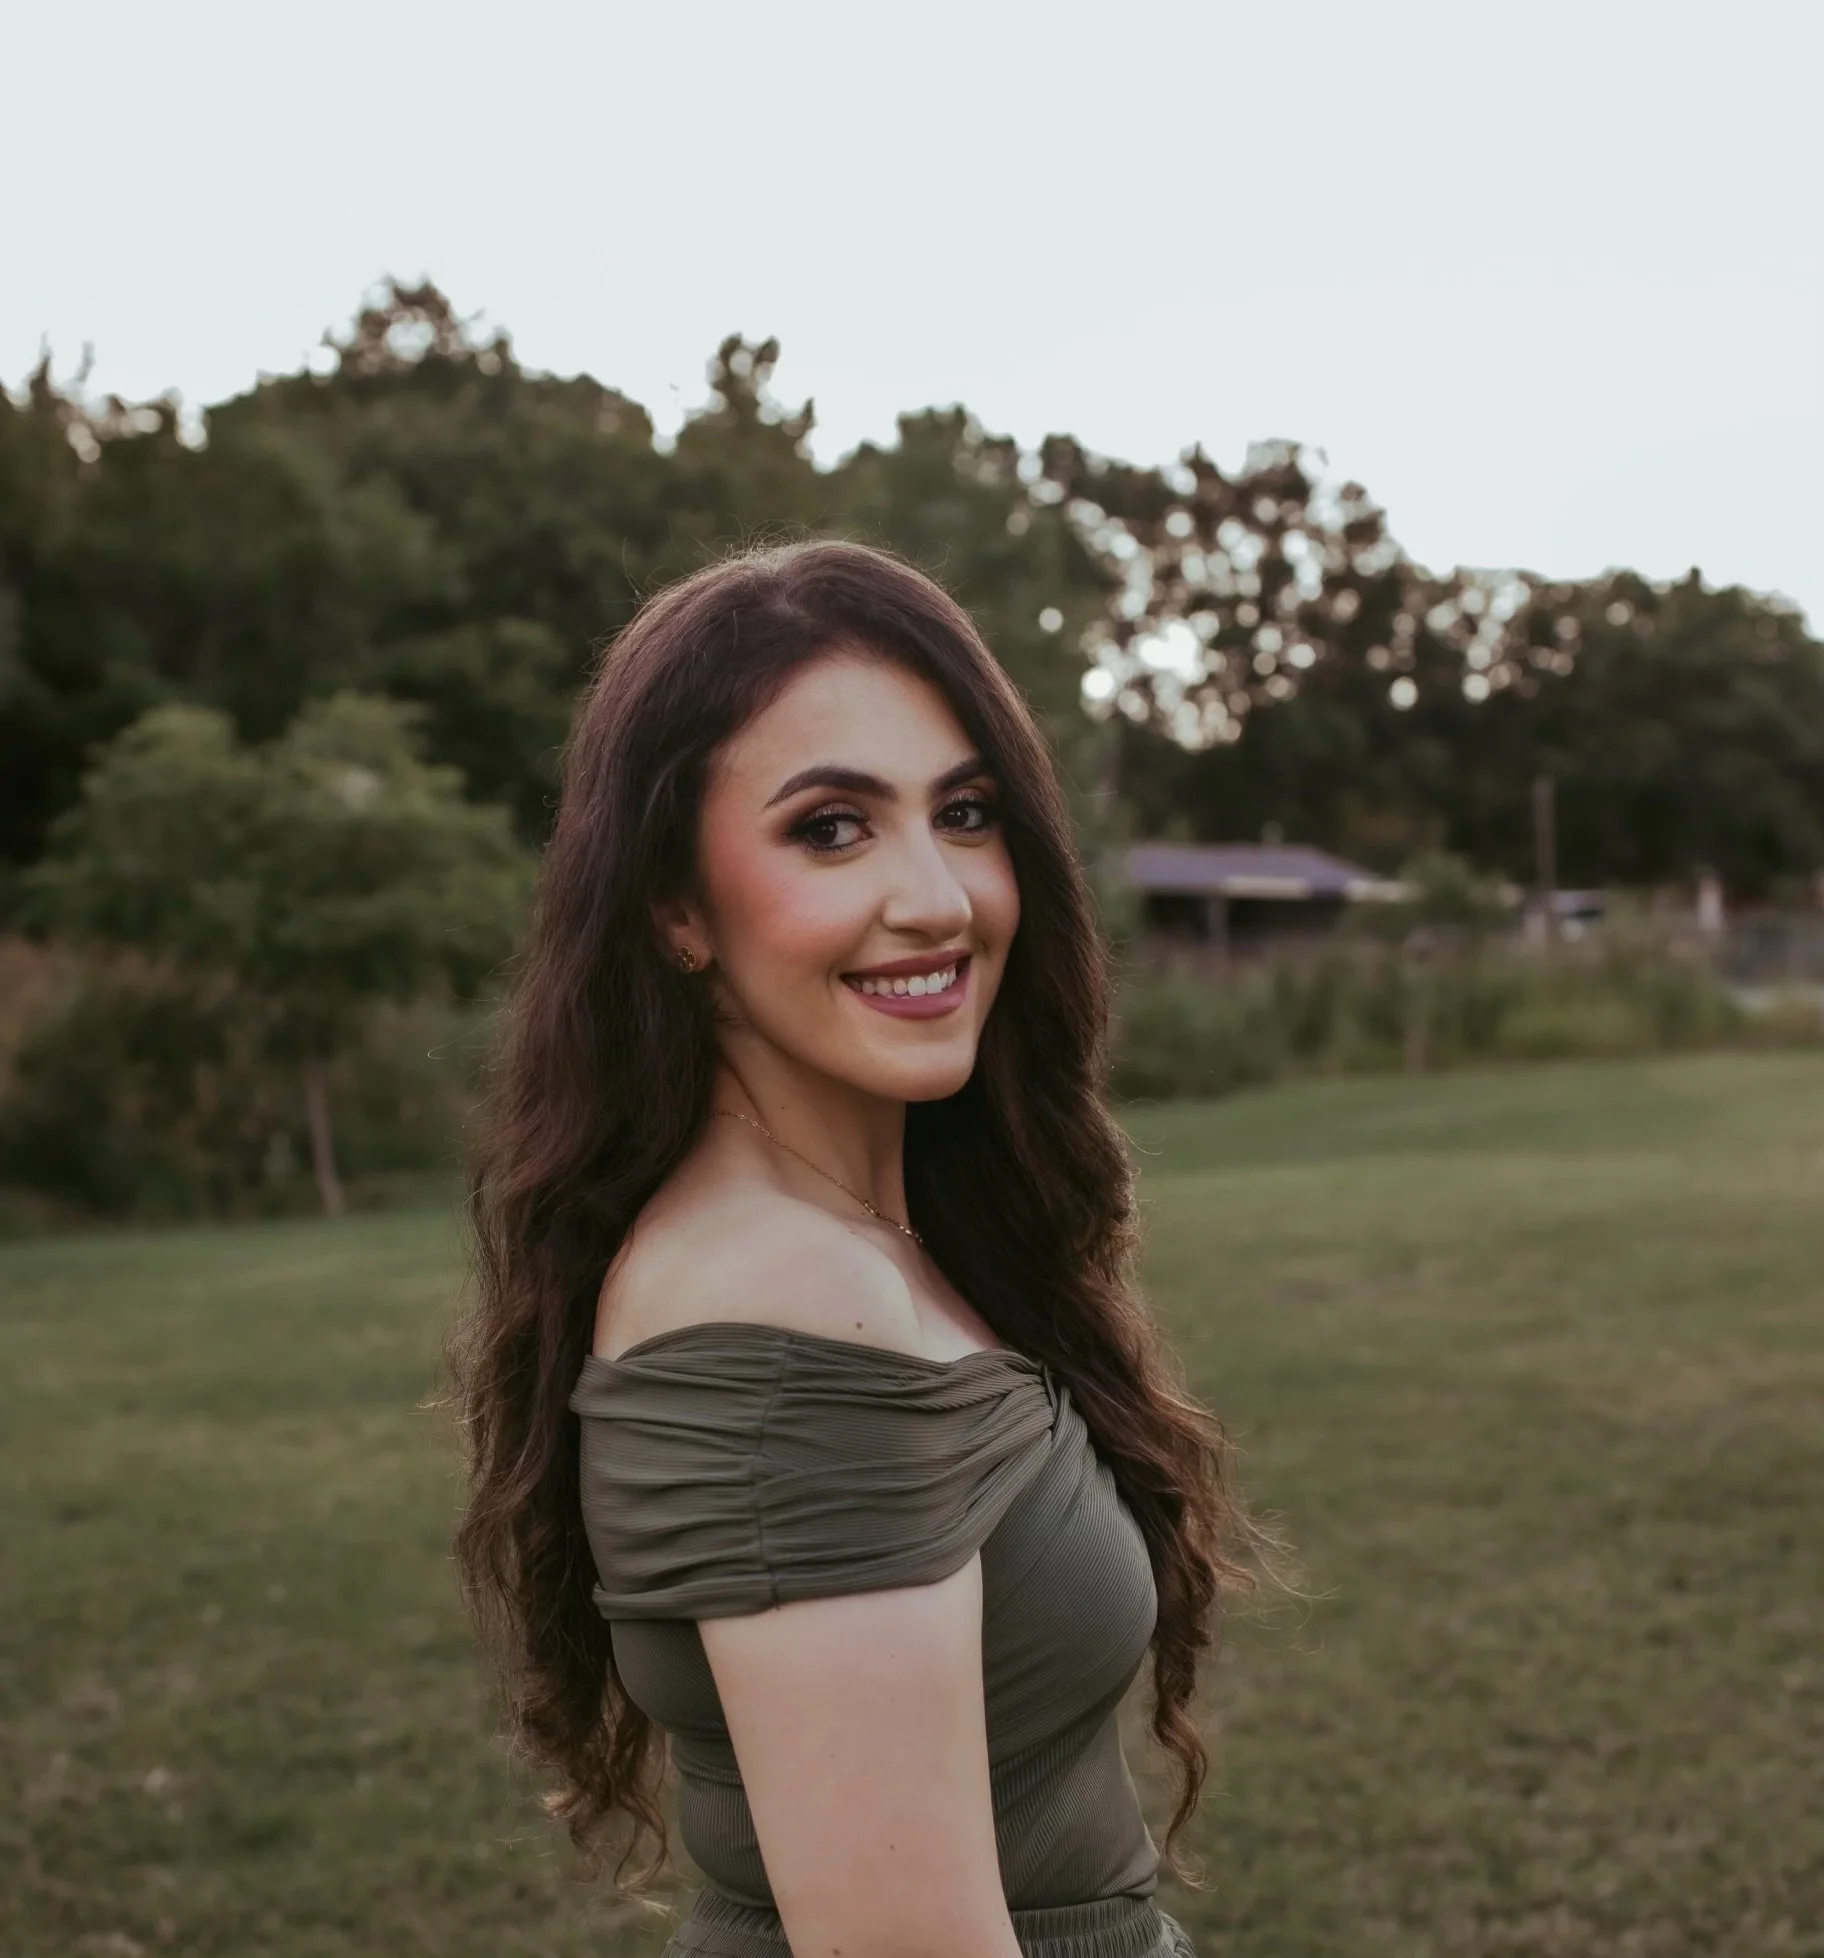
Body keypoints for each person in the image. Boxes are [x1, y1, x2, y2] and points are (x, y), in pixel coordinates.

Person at [451, 540, 1269, 1958]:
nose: (938, 896)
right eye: (832, 828)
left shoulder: (878, 1234)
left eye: (965, 812)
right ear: (675, 907)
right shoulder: (785, 1295)